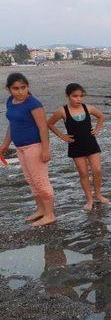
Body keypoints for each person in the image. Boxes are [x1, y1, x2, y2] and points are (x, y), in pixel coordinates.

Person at [0, 73, 55, 226]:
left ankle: (50, 214)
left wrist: (45, 149)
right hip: (20, 147)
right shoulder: (10, 102)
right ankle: (40, 209)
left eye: (23, 87)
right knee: (31, 181)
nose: (20, 91)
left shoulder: (33, 103)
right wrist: (5, 144)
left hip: (34, 146)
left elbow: (43, 127)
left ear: (27, 87)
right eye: (15, 88)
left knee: (40, 181)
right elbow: (13, 124)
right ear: (9, 89)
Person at [48, 83, 108, 210]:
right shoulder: (62, 111)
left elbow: (101, 116)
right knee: (83, 173)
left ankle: (98, 194)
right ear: (68, 96)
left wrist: (97, 129)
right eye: (75, 96)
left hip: (91, 143)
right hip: (76, 146)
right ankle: (89, 200)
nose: (79, 99)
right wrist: (62, 136)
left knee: (97, 170)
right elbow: (50, 124)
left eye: (81, 96)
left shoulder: (88, 108)